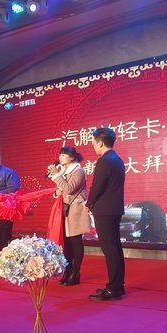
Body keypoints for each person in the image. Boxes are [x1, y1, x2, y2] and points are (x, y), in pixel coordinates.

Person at [84, 128, 126, 301]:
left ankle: (113, 289)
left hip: (104, 211)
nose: (93, 146)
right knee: (115, 248)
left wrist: (89, 204)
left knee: (109, 249)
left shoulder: (104, 161)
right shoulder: (117, 160)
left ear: (100, 143)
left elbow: (97, 187)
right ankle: (118, 285)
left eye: (93, 143)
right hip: (114, 209)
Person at [48, 146, 91, 286]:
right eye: (60, 154)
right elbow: (61, 190)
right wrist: (56, 191)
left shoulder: (78, 171)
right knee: (66, 242)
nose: (60, 157)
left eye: (64, 155)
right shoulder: (63, 171)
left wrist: (56, 175)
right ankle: (67, 270)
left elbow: (69, 189)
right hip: (65, 209)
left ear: (72, 157)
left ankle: (75, 272)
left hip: (76, 210)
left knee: (75, 241)